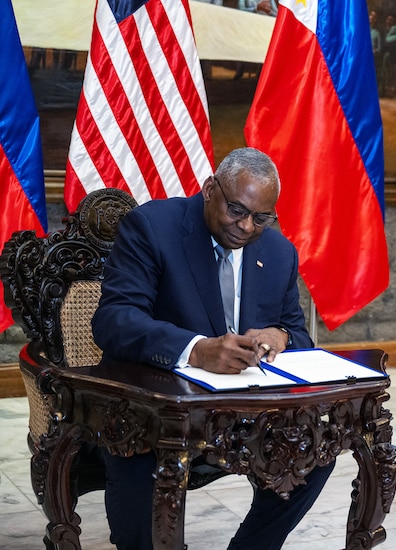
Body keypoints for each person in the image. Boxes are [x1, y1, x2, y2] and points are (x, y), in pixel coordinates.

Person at [91, 147, 332, 550]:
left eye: (261, 218)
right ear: (209, 189)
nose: (247, 227)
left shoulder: (278, 252)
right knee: (140, 490)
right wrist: (196, 349)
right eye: (237, 210)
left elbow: (299, 335)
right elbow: (114, 320)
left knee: (317, 450)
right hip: (152, 410)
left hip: (243, 413)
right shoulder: (152, 227)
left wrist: (282, 337)